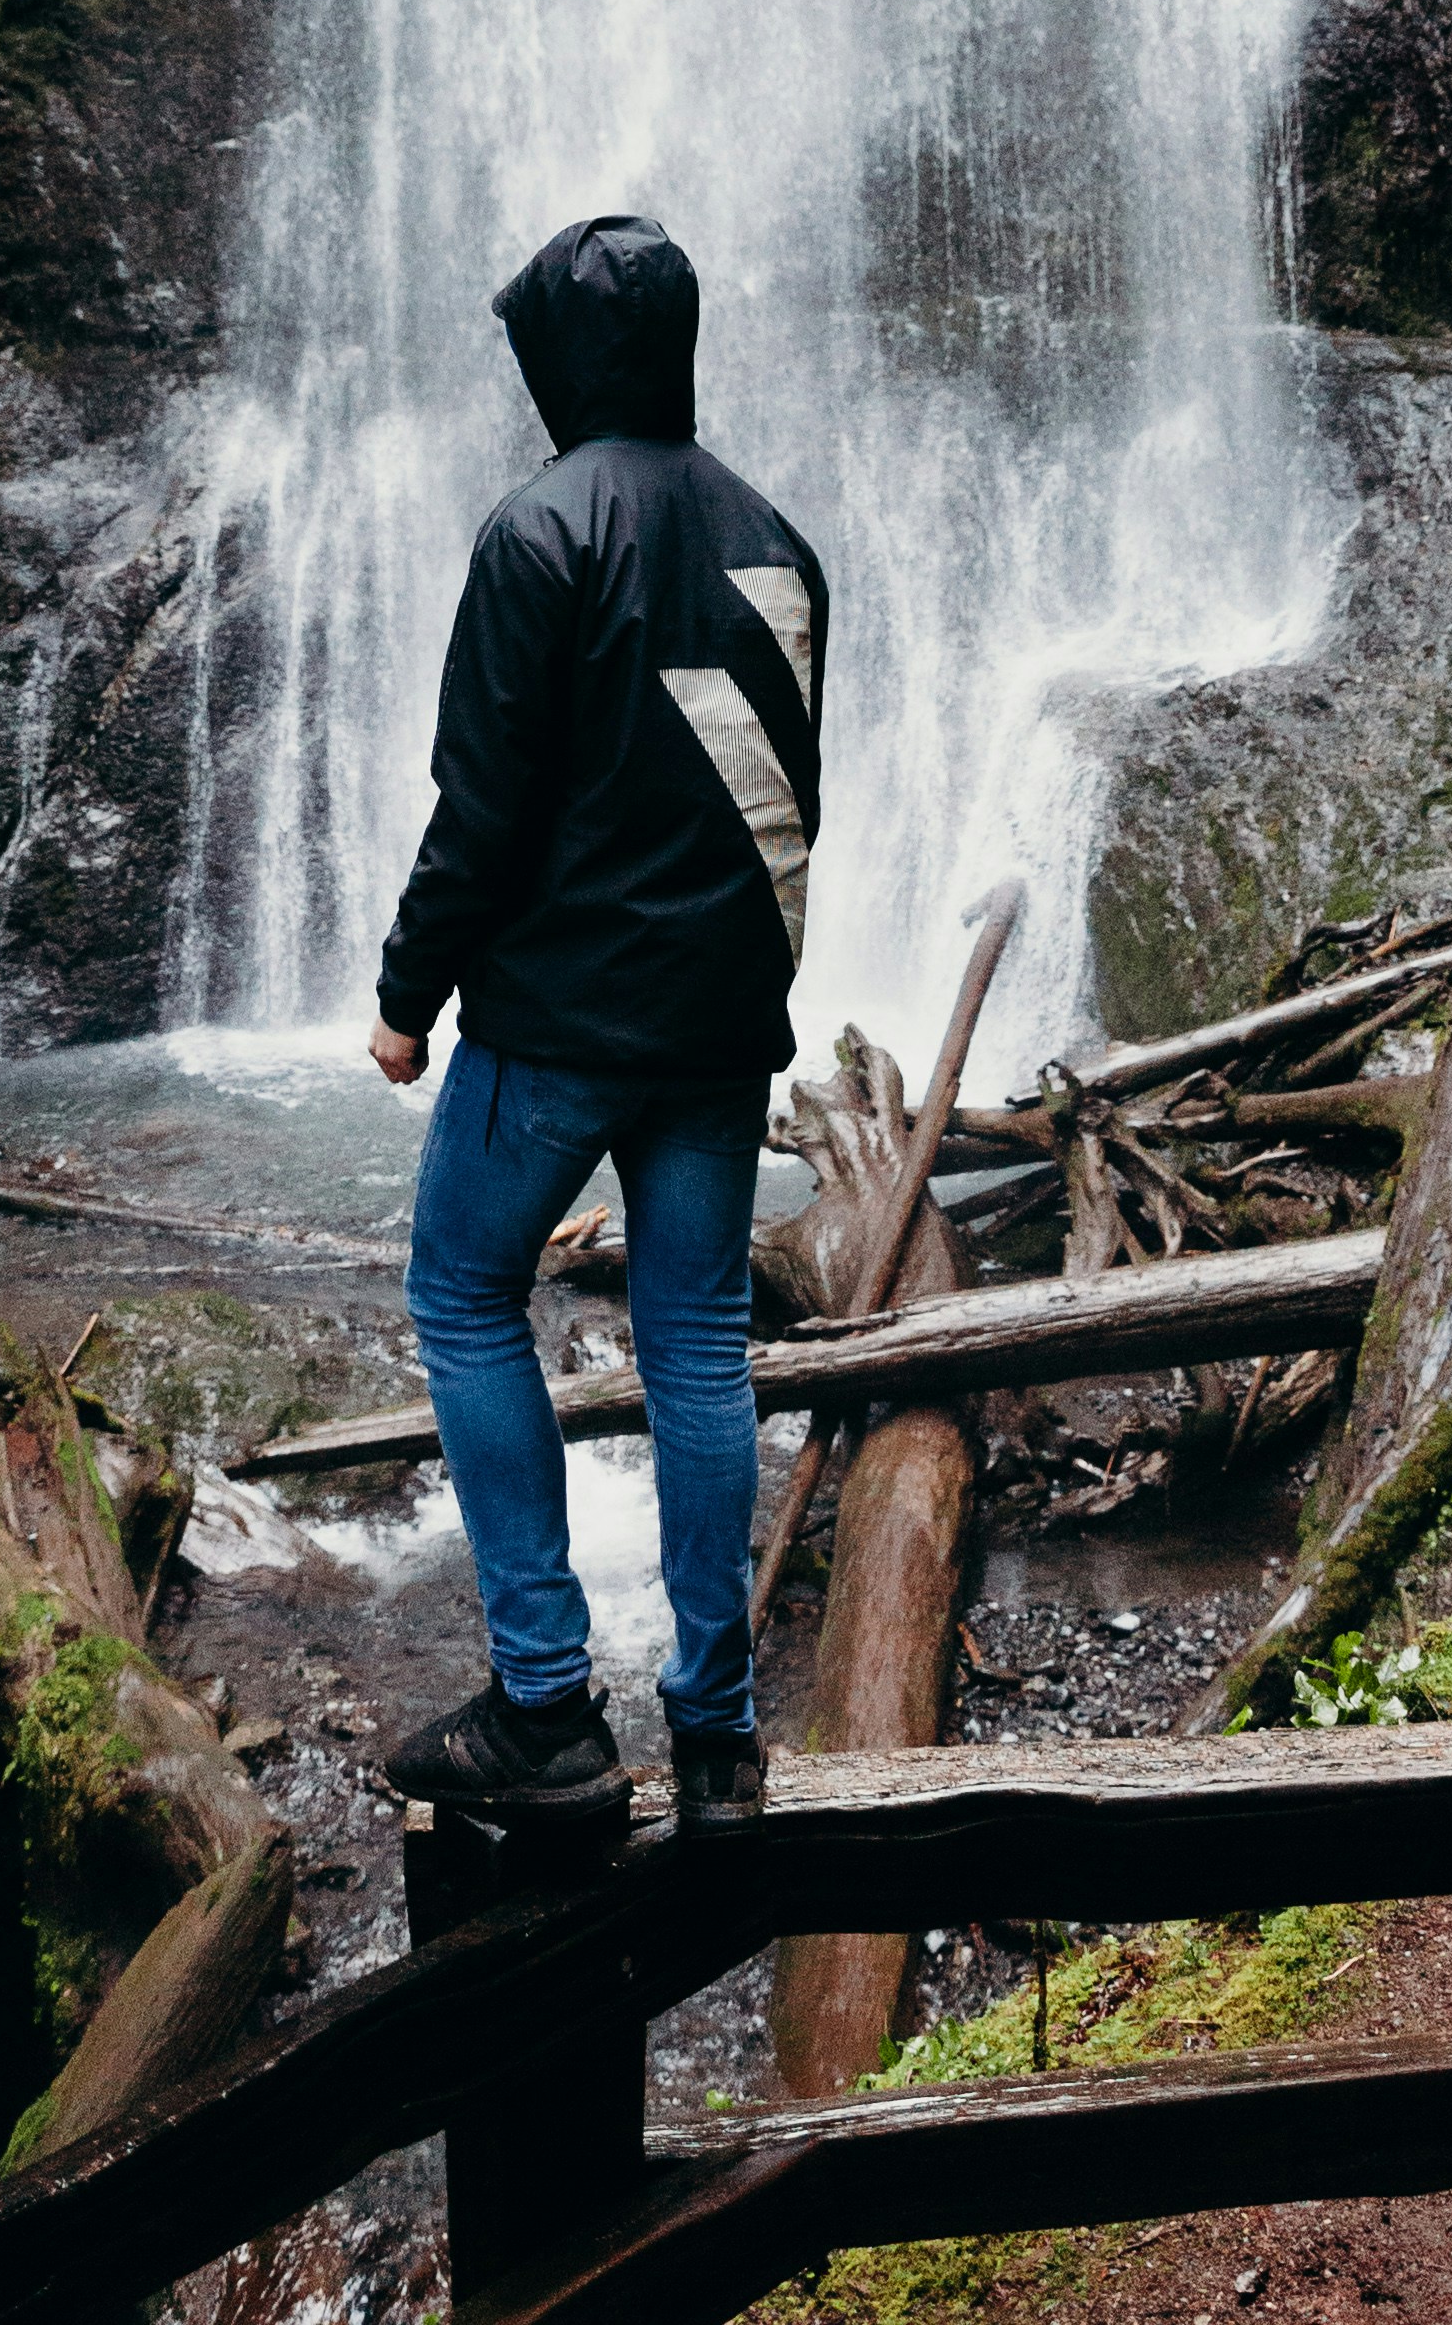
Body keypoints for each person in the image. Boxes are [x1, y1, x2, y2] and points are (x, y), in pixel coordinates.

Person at [365, 209, 828, 1838]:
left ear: (563, 359)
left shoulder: (536, 535)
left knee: (463, 1289)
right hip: (716, 1032)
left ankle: (547, 1709)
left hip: (556, 1028)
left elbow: (480, 809)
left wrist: (409, 995)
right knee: (697, 1343)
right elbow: (788, 810)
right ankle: (716, 1744)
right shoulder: (780, 538)